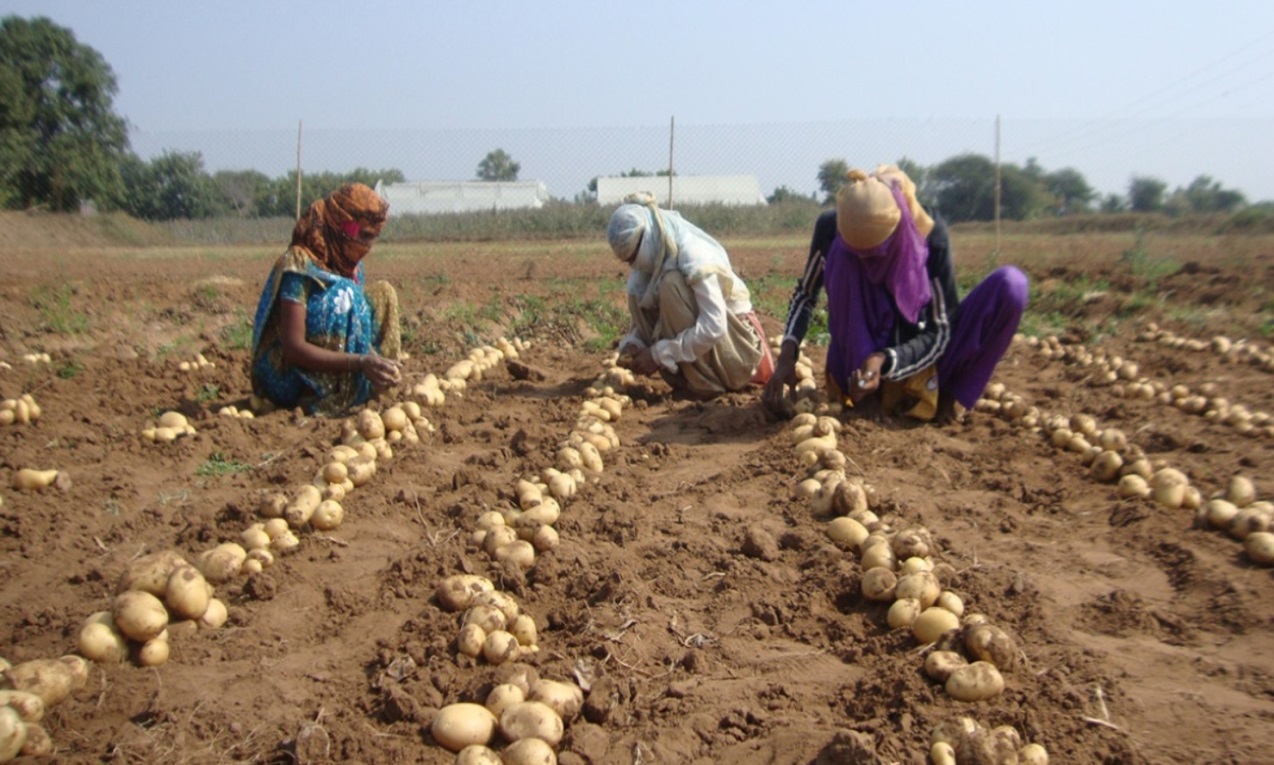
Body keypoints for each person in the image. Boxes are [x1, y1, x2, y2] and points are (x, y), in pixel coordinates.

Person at [762, 165, 1028, 424]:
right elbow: (805, 295)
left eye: (876, 255)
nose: (869, 262)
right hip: (856, 369)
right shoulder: (834, 229)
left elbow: (941, 330)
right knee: (842, 258)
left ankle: (943, 396)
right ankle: (867, 397)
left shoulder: (930, 236)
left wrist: (885, 360)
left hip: (921, 361)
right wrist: (787, 356)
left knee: (1010, 285)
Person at [251, 182, 403, 415]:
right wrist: (360, 363)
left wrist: (374, 361)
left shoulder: (352, 267)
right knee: (345, 294)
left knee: (384, 293)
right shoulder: (299, 262)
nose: (367, 246)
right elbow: (293, 348)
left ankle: (372, 384)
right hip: (287, 374)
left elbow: (356, 328)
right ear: (341, 225)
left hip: (344, 365)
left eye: (372, 237)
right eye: (362, 235)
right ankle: (321, 398)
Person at [606, 192, 773, 399]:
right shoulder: (654, 259)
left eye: (633, 257)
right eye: (627, 261)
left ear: (647, 237)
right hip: (708, 349)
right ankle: (690, 379)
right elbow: (647, 322)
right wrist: (635, 344)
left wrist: (658, 355)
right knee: (638, 292)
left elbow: (714, 327)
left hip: (737, 352)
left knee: (671, 284)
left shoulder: (693, 254)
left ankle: (706, 385)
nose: (633, 265)